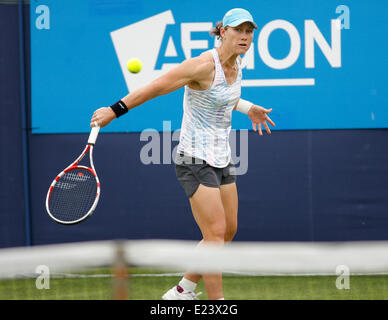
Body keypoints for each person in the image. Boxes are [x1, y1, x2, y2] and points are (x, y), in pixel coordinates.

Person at [90, 8, 275, 300]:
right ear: (223, 32)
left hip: (222, 155)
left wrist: (247, 107)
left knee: (228, 232)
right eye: (238, 30)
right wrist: (114, 111)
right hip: (193, 159)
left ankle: (182, 291)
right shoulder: (202, 65)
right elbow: (156, 87)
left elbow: (224, 96)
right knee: (214, 235)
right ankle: (217, 303)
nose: (244, 37)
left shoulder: (238, 65)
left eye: (249, 31)